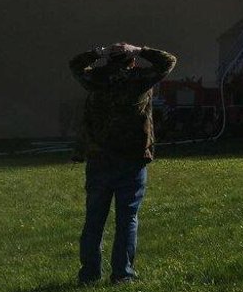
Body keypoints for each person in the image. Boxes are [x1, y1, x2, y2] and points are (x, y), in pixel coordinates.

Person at [69, 42, 176, 285]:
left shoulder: (96, 78)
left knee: (94, 220)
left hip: (99, 159)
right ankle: (122, 274)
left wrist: (98, 52)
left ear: (109, 61)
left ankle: (88, 275)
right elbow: (168, 61)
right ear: (131, 61)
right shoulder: (139, 79)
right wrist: (139, 49)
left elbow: (75, 65)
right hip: (132, 159)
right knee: (127, 218)